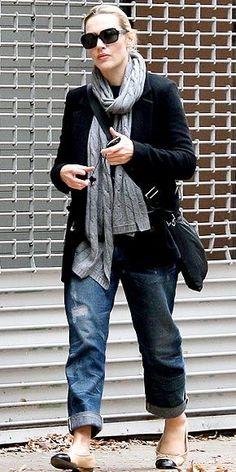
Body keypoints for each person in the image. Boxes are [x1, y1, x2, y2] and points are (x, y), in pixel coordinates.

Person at [50, 4, 196, 471]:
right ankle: (82, 439)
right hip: (93, 241)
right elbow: (62, 163)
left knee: (159, 342)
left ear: (128, 38)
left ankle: (174, 426)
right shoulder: (79, 99)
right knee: (85, 339)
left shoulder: (160, 92)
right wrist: (64, 175)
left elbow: (185, 162)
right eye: (89, 40)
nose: (99, 47)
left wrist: (136, 153)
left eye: (108, 35)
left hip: (148, 242)